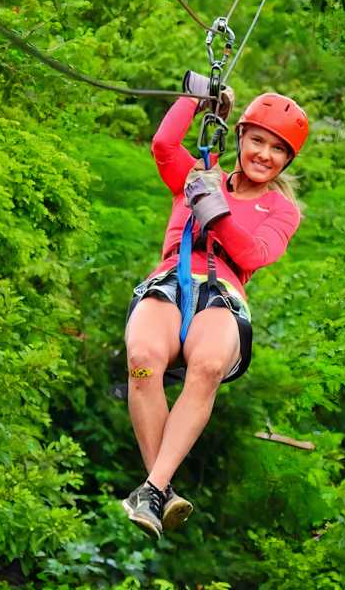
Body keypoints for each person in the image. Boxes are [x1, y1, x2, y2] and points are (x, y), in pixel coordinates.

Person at [121, 73, 309, 539]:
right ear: (239, 137)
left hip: (221, 293)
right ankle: (158, 488)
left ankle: (151, 488)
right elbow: (165, 145)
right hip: (171, 278)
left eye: (278, 149)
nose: (264, 155)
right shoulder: (199, 176)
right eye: (258, 141)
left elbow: (252, 254)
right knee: (142, 362)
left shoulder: (282, 210)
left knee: (206, 366)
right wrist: (196, 99)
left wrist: (213, 209)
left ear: (287, 159)